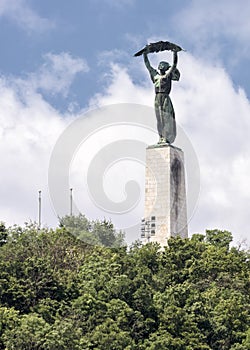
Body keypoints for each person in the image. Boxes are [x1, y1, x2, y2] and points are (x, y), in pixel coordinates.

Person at [143, 49, 180, 144]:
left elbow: (174, 64)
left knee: (166, 117)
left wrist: (175, 53)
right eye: (160, 64)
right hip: (157, 97)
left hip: (165, 97)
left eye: (162, 65)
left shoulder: (167, 76)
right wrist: (145, 54)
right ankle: (161, 137)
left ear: (166, 68)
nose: (160, 66)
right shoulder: (155, 75)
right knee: (159, 118)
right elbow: (148, 66)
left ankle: (167, 136)